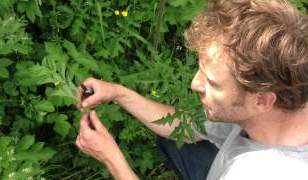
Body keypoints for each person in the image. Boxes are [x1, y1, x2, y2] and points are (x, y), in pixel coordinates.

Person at [75, 0, 308, 179]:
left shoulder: (263, 172)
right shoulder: (279, 100)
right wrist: (118, 93)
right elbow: (186, 125)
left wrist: (111, 158)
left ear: (262, 100)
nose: (194, 84)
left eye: (213, 83)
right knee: (171, 139)